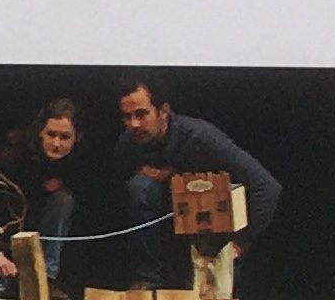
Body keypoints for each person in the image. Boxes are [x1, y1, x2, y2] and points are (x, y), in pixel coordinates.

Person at [107, 77, 281, 289]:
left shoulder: (200, 138)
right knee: (139, 187)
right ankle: (147, 278)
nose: (133, 124)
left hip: (211, 236)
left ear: (163, 111)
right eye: (127, 116)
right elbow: (114, 194)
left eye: (142, 115)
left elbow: (266, 187)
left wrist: (240, 243)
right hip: (166, 233)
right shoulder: (128, 144)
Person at [0, 98, 81, 297]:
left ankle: (45, 277)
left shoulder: (75, 164)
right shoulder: (13, 158)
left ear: (77, 138)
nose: (56, 143)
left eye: (64, 137)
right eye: (51, 134)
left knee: (63, 200)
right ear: (41, 132)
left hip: (19, 229)